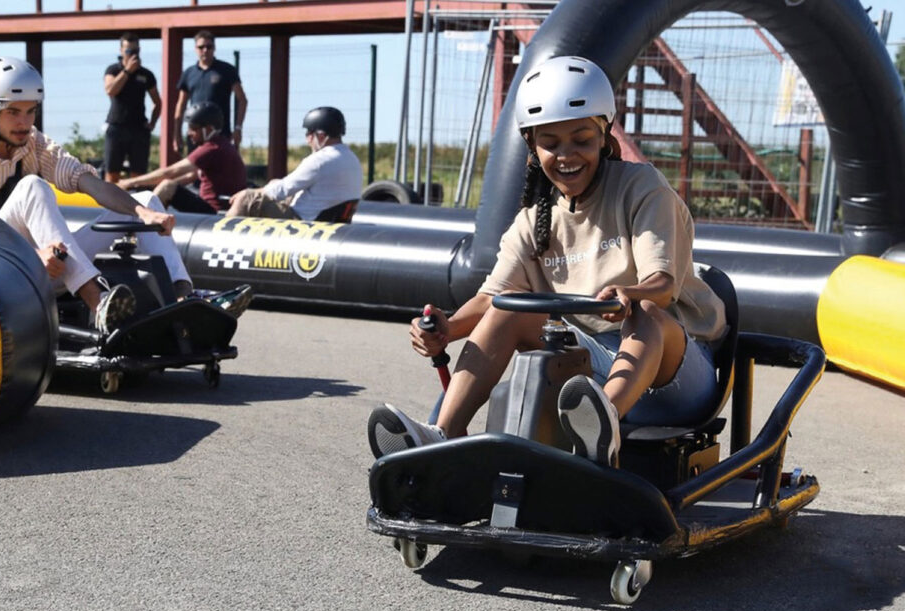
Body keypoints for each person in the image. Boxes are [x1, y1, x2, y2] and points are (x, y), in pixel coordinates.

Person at [366, 56, 727, 467]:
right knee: (506, 313)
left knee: (645, 310)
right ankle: (442, 435)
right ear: (532, 147)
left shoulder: (641, 187)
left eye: (581, 139)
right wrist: (446, 329)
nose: (567, 154)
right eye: (551, 143)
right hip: (588, 377)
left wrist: (630, 292)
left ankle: (601, 427)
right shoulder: (532, 220)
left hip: (675, 376)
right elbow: (490, 300)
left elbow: (661, 285)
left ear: (604, 136)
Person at [0, 56, 194, 333]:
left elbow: (88, 183)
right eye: (14, 112)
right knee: (33, 187)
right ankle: (99, 303)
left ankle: (184, 302)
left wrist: (143, 214)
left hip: (48, 266)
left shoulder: (34, 143)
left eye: (31, 111)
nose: (24, 123)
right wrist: (32, 254)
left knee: (145, 199)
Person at [226, 107, 362, 221]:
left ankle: (222, 241)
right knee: (275, 183)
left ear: (320, 136)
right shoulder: (352, 159)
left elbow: (280, 191)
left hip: (303, 223)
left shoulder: (319, 160)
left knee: (246, 198)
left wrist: (251, 192)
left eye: (309, 134)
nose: (307, 140)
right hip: (329, 219)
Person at [118, 101, 247, 214]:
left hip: (214, 211)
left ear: (208, 129)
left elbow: (170, 172)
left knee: (168, 186)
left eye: (193, 128)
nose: (189, 133)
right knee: (168, 186)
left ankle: (139, 227)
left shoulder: (212, 148)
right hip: (212, 206)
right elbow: (190, 176)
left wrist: (130, 182)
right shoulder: (222, 144)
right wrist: (151, 186)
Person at [173, 30, 247, 155]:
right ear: (195, 49)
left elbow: (242, 99)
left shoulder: (226, 70)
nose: (205, 50)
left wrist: (238, 128)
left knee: (220, 171)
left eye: (209, 46)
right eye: (201, 47)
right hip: (195, 135)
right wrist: (176, 134)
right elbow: (181, 105)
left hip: (220, 134)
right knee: (195, 172)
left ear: (214, 48)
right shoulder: (189, 73)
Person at [103, 32, 161, 183]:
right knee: (112, 174)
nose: (132, 54)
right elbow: (110, 90)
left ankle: (136, 204)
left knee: (139, 176)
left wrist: (152, 123)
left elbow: (157, 102)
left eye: (135, 51)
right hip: (117, 127)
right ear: (121, 51)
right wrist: (127, 71)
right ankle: (110, 204)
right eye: (129, 51)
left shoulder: (146, 75)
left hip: (139, 129)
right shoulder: (113, 70)